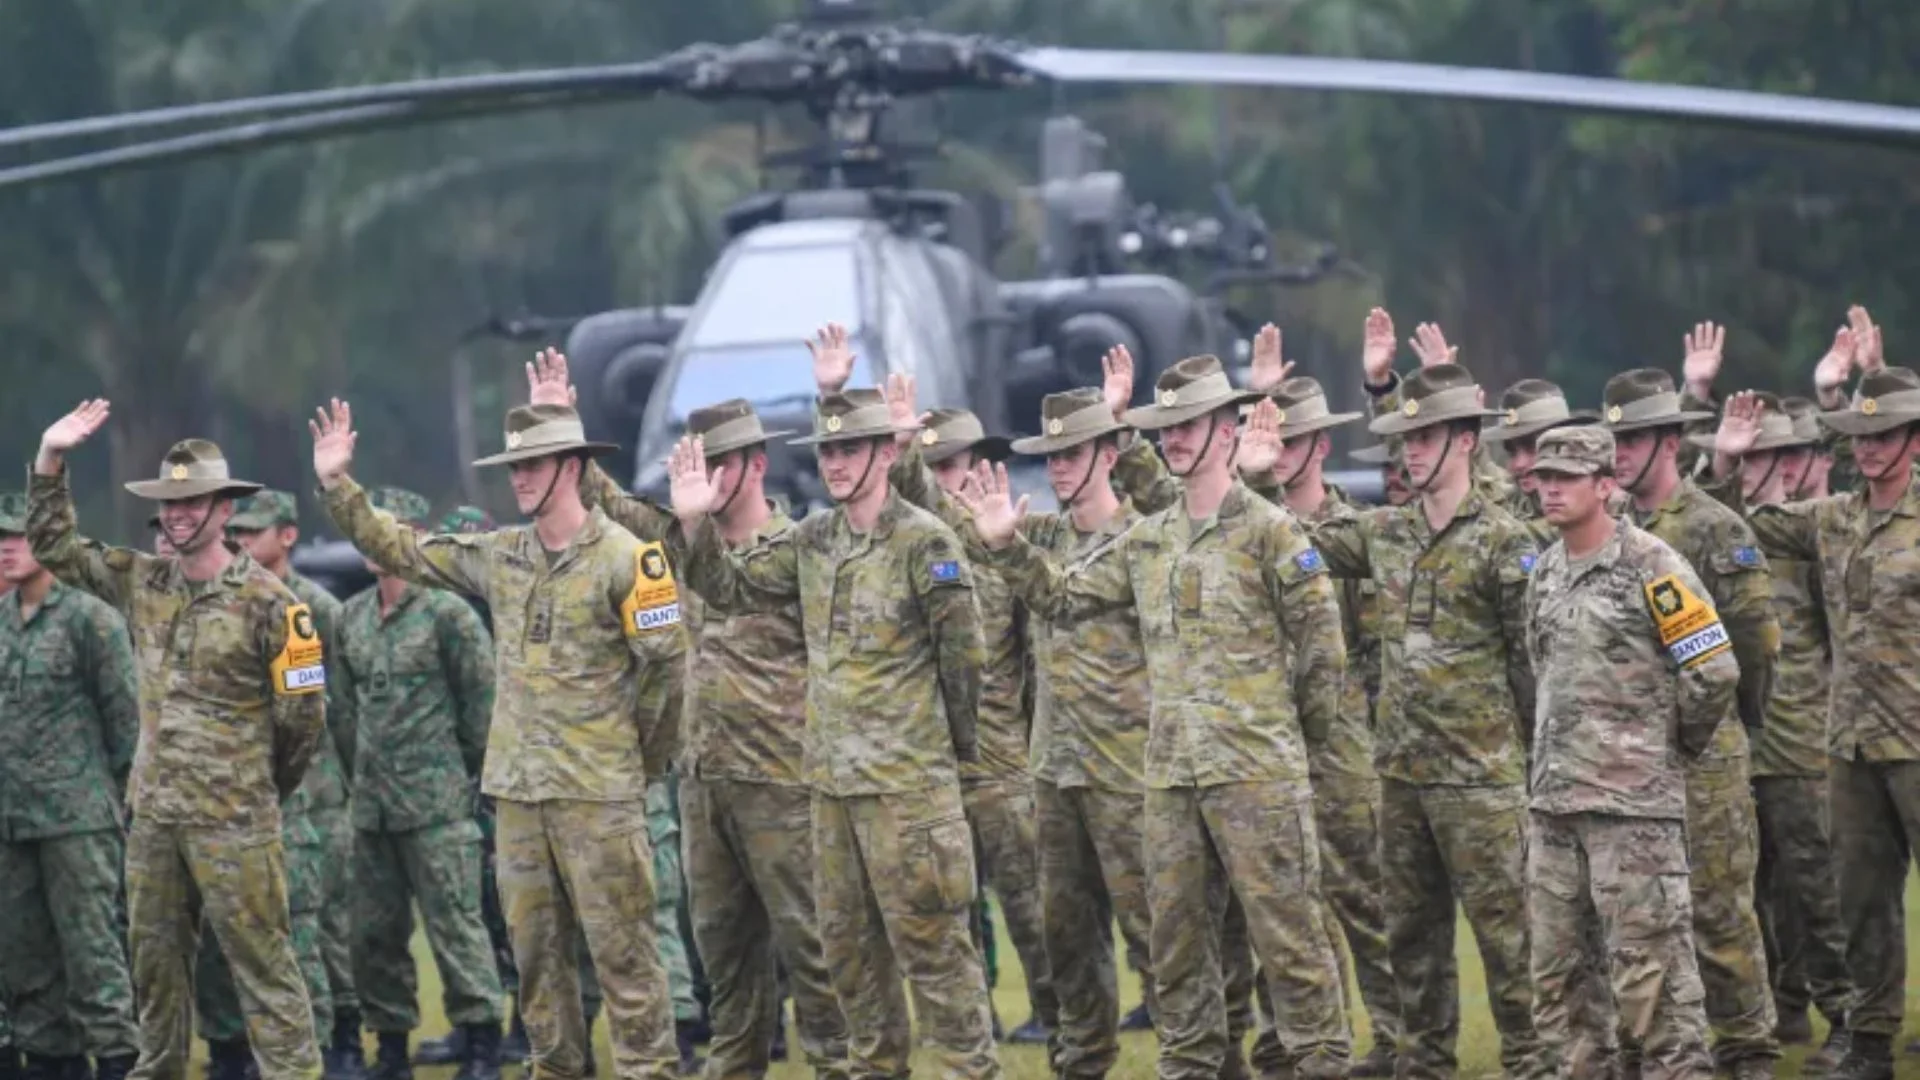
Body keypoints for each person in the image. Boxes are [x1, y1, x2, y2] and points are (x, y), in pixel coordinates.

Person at [958, 354, 1354, 1080]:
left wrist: (1284, 747)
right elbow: (1062, 598)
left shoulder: (1271, 532)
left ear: (1224, 431)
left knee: (1290, 945)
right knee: (1176, 955)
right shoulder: (1148, 539)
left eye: (1188, 425)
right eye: (1164, 427)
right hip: (1170, 780)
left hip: (1257, 777)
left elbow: (1324, 657)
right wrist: (1007, 549)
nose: (1173, 439)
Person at [312, 397, 686, 1080]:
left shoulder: (630, 559)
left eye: (533, 463)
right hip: (519, 799)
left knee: (626, 964)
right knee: (537, 970)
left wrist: (637, 760)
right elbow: (404, 548)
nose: (519, 476)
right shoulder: (502, 555)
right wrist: (341, 486)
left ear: (571, 467)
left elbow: (668, 673)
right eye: (513, 464)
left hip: (599, 799)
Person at [666, 367, 1000, 1080]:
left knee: (941, 974)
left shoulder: (926, 543)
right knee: (855, 981)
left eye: (851, 450)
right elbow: (729, 590)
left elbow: (966, 666)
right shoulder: (813, 541)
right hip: (830, 799)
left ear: (885, 453)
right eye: (827, 452)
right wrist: (693, 523)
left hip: (909, 800)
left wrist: (943, 761)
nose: (837, 463)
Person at [526, 354, 850, 1080]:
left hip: (784, 784)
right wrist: (559, 424)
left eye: (723, 464)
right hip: (704, 786)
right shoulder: (674, 541)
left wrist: (695, 524)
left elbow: (730, 587)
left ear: (756, 465)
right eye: (701, 462)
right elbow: (602, 500)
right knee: (726, 966)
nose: (707, 477)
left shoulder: (798, 548)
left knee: (816, 956)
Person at [28, 403, 329, 1080]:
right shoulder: (142, 581)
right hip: (156, 820)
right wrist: (51, 459)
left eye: (195, 502)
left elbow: (304, 721)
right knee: (154, 974)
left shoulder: (275, 605)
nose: (181, 514)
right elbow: (54, 547)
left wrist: (254, 788)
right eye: (171, 503)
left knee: (266, 972)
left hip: (236, 824)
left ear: (225, 511)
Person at [1295, 357, 1546, 1080]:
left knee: (1511, 943)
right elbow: (1289, 537)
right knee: (1413, 940)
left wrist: (1528, 765)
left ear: (1466, 439)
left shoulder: (1505, 541)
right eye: (1405, 436)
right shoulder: (1384, 534)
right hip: (1401, 776)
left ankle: (1533, 1062)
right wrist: (1253, 469)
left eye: (1427, 434)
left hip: (1483, 779)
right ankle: (1425, 1064)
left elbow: (1532, 666)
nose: (1410, 449)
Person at [1706, 370, 1920, 1080]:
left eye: (1885, 434)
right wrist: (1728, 462)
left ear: (1913, 441)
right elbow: (1743, 529)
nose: (1870, 449)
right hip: (1852, 744)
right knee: (1861, 902)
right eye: (1861, 436)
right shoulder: (1833, 518)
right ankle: (1870, 1042)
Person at [1522, 424, 1729, 1080]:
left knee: (1656, 989)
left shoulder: (1652, 566)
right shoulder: (1547, 568)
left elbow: (1714, 670)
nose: (1550, 490)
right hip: (1555, 814)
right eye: (1542, 478)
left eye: (1566, 479)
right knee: (1563, 988)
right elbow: (1540, 667)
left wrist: (1664, 752)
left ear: (1606, 486)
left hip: (1632, 817)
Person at [1601, 356, 1781, 1080]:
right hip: (1629, 761)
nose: (1618, 454)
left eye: (1633, 439)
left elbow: (1755, 646)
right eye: (1614, 440)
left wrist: (1721, 731)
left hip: (1704, 757)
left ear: (1669, 442)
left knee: (1718, 915)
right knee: (1637, 919)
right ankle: (1659, 1050)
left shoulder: (1712, 528)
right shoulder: (1603, 530)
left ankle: (1748, 1050)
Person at [861, 384, 1055, 1047]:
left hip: (1001, 761)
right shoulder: (915, 548)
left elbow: (1035, 655)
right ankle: (978, 1026)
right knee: (951, 911)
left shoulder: (1009, 544)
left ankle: (1062, 1023)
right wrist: (902, 448)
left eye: (966, 462)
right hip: (934, 763)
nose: (958, 478)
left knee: (1033, 905)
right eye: (943, 467)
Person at [1232, 327, 1399, 1078]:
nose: (1280, 449)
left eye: (1293, 439)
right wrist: (1257, 393)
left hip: (1340, 738)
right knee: (1278, 901)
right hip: (1268, 737)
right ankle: (1284, 1041)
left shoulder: (1351, 533)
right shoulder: (1244, 524)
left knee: (1363, 898)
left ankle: (1397, 1038)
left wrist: (1383, 387)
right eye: (1271, 436)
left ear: (1321, 450)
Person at [1683, 394, 1853, 1063]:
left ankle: (1842, 1013)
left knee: (1812, 888)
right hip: (1726, 738)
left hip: (1796, 735)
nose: (1757, 468)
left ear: (1790, 461)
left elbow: (1844, 635)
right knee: (1736, 890)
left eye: (1768, 455)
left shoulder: (1803, 534)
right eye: (1746, 456)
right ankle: (1775, 1011)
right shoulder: (1717, 529)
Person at [331, 487, 505, 1080]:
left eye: (391, 528)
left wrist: (457, 775)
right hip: (372, 810)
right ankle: (391, 1051)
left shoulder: (447, 613)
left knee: (457, 928)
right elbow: (344, 713)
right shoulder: (350, 617)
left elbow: (481, 705)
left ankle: (481, 1043)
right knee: (373, 937)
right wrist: (365, 776)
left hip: (438, 807)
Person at [0, 491, 141, 1080]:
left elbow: (126, 724)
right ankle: (53, 1060)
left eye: (16, 537)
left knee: (93, 953)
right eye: (0, 541)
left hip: (79, 818)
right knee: (26, 956)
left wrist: (114, 805)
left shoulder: (92, 619)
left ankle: (116, 1059)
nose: (6, 550)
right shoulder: (4, 621)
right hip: (13, 819)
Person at [226, 490, 365, 1080]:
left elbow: (347, 706)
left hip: (319, 794)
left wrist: (344, 780)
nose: (241, 542)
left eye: (253, 532)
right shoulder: (233, 604)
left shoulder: (316, 608)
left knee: (323, 927)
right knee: (270, 929)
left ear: (287, 536)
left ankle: (337, 1045)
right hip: (255, 797)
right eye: (236, 533)